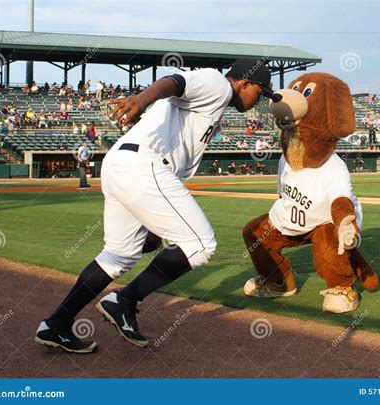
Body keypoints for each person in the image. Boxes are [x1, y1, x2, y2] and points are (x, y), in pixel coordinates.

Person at [34, 59, 277, 353]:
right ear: (245, 82)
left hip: (127, 166)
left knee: (118, 255)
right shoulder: (218, 85)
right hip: (143, 165)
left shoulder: (214, 105)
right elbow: (175, 82)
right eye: (260, 93)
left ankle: (56, 324)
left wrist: (152, 223)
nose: (260, 100)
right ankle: (123, 301)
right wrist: (140, 99)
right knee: (201, 244)